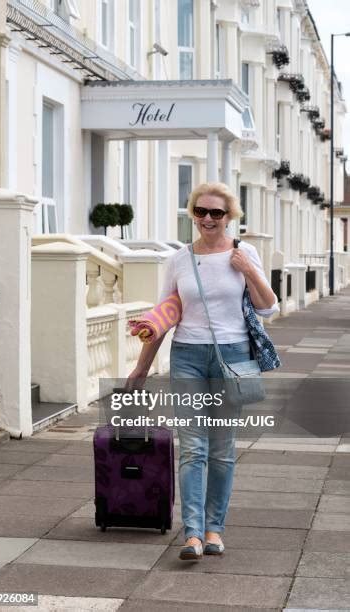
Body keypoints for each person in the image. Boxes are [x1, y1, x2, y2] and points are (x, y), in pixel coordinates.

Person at [127, 182, 279, 560]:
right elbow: (165, 314)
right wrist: (141, 367)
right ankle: (193, 534)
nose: (208, 219)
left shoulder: (246, 253)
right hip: (188, 357)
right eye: (200, 211)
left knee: (223, 450)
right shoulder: (179, 259)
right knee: (193, 447)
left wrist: (249, 271)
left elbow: (268, 307)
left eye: (217, 213)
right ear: (192, 214)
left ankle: (215, 530)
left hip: (232, 356)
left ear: (230, 217)